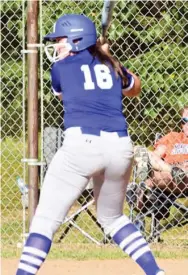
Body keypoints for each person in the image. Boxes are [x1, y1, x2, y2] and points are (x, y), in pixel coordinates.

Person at [16, 14, 164, 275]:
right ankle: (156, 272)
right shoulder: (113, 65)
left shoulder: (60, 69)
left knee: (45, 220)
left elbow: (66, 92)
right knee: (113, 218)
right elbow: (135, 87)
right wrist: (108, 60)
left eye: (60, 40)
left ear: (76, 40)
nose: (56, 46)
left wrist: (97, 58)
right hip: (120, 147)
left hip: (81, 146)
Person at [134, 106, 188, 208]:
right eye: (184, 120)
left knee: (182, 172)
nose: (187, 124)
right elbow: (156, 155)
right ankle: (148, 191)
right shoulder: (173, 136)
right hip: (165, 171)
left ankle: (144, 193)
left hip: (185, 176)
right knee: (138, 149)